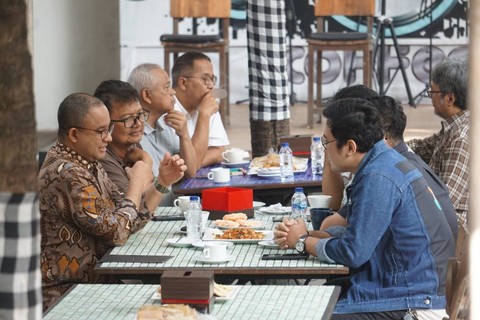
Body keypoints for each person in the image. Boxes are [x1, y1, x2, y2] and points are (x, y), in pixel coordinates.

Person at [275, 98, 455, 319]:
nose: (325, 151)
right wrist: (309, 234)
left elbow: (354, 253)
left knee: (302, 312)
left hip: (412, 301)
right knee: (303, 301)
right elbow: (365, 235)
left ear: (350, 147)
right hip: (405, 285)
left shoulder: (378, 177)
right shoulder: (385, 161)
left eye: (326, 143)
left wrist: (303, 242)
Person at [38, 93, 184, 310]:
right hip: (66, 292)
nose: (108, 138)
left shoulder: (87, 162)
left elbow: (127, 220)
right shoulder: (67, 173)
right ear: (74, 134)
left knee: (174, 301)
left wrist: (162, 183)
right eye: (100, 132)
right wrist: (136, 184)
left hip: (97, 284)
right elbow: (116, 231)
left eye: (109, 130)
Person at [321, 95, 458, 241]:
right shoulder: (397, 162)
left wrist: (304, 241)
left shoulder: (380, 175)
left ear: (382, 135)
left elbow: (354, 250)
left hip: (422, 262)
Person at [93, 79, 187, 212]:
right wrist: (147, 163)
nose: (137, 123)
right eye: (128, 119)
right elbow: (132, 211)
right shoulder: (103, 158)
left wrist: (163, 181)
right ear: (106, 123)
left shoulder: (133, 144)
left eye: (140, 114)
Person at [407, 57, 470, 228]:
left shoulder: (462, 138)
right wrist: (386, 145)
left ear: (449, 99)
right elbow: (419, 147)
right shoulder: (454, 127)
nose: (430, 97)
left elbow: (445, 202)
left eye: (432, 92)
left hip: (454, 232)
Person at [127, 63, 198, 178]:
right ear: (146, 95)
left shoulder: (166, 122)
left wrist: (184, 135)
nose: (173, 92)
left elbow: (190, 172)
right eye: (166, 87)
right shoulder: (133, 132)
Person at [170, 52, 230, 167]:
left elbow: (219, 150)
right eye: (205, 79)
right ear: (183, 83)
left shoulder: (206, 104)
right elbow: (190, 166)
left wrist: (193, 162)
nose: (211, 85)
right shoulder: (167, 110)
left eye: (212, 79)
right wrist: (204, 115)